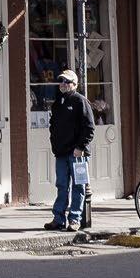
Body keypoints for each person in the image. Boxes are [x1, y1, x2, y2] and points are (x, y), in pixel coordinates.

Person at [42, 68, 93, 232]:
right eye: (61, 81)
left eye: (67, 81)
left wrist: (80, 147)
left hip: (77, 153)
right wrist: (54, 144)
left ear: (74, 84)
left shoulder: (80, 101)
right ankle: (58, 219)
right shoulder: (58, 103)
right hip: (61, 153)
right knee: (62, 186)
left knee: (79, 186)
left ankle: (75, 219)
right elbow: (53, 126)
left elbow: (89, 128)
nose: (63, 84)